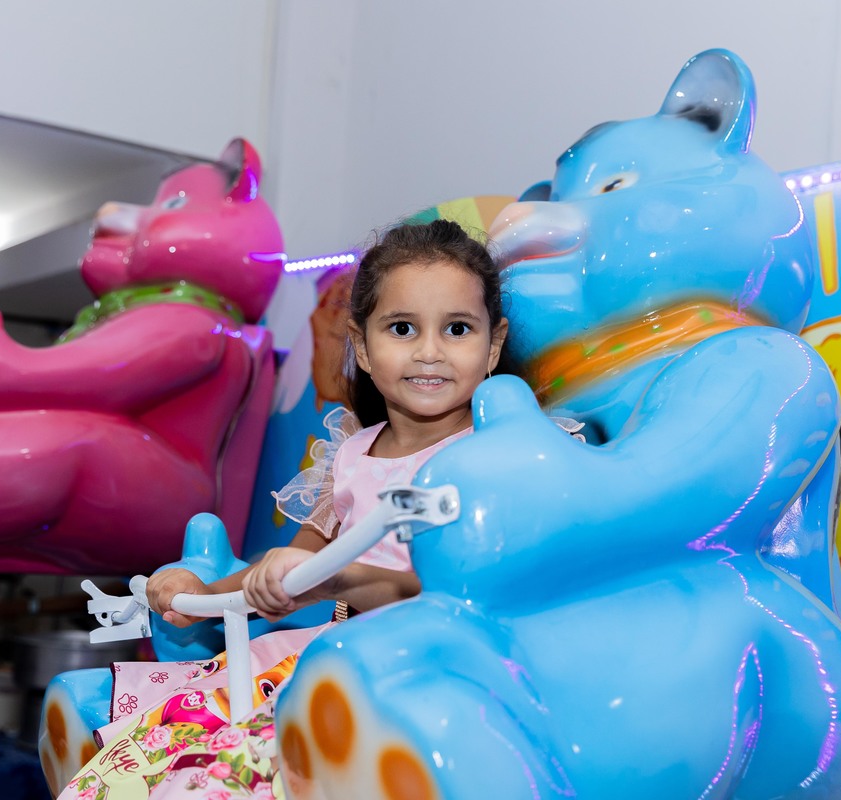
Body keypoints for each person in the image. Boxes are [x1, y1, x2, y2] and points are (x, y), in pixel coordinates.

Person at [58, 218, 509, 800]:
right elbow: (288, 568)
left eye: (457, 328)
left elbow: (461, 593)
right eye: (402, 328)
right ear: (361, 346)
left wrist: (335, 580)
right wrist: (203, 590)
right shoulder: (350, 454)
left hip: (430, 667)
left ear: (493, 345)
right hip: (335, 651)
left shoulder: (497, 455)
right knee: (175, 748)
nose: (429, 352)